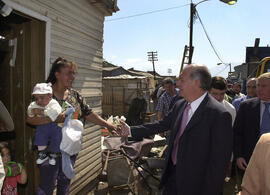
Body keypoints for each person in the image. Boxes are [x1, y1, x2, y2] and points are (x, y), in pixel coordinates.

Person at [118, 64, 233, 195]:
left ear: (197, 83)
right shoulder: (180, 105)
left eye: (182, 80)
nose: (177, 84)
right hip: (172, 176)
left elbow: (219, 162)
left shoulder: (219, 115)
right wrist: (130, 130)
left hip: (196, 184)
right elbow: (161, 125)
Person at [26, 57, 117, 195]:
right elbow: (30, 119)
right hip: (50, 149)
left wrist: (107, 125)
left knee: (65, 182)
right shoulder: (43, 94)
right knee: (47, 186)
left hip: (70, 148)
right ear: (57, 74)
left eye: (73, 73)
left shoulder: (75, 95)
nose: (72, 76)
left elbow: (89, 113)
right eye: (69, 73)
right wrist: (52, 120)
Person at [233, 72, 270, 182]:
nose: (259, 89)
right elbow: (237, 133)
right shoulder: (246, 106)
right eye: (258, 85)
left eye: (263, 86)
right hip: (249, 162)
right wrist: (238, 156)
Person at [27, 83, 62, 165]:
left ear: (50, 96)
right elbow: (30, 111)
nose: (38, 101)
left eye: (41, 98)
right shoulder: (35, 104)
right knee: (39, 134)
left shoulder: (53, 103)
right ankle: (42, 153)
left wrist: (42, 112)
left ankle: (54, 153)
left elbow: (56, 112)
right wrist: (31, 111)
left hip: (55, 126)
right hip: (43, 126)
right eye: (36, 98)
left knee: (56, 137)